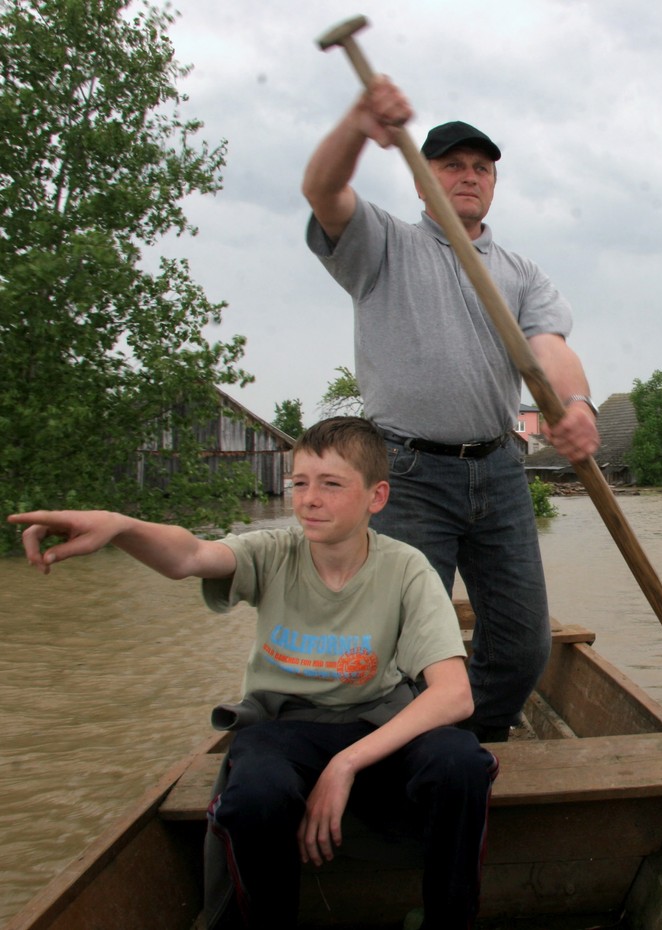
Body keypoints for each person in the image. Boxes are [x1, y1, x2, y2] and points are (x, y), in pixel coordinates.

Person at [7, 417, 498, 930]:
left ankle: (448, 918)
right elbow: (191, 554)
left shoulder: (406, 568)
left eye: (331, 484)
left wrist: (345, 765)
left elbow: (453, 696)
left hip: (372, 723)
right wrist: (122, 525)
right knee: (253, 798)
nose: (309, 499)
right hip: (282, 728)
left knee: (461, 762)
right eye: (300, 483)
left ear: (377, 497)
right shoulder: (271, 551)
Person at [302, 76, 600, 742]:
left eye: (481, 168)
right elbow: (322, 191)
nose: (469, 177)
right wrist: (357, 123)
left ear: (493, 184)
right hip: (407, 473)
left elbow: (548, 347)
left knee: (525, 647)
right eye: (452, 166)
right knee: (406, 644)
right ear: (420, 180)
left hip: (498, 471)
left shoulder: (521, 273)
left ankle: (473, 741)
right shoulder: (382, 244)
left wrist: (574, 403)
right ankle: (413, 757)